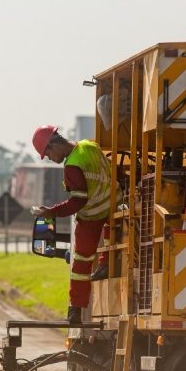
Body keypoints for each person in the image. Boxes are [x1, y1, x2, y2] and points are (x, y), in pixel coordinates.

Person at [30, 125, 115, 324]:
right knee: (112, 234)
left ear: (53, 144)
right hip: (114, 206)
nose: (50, 158)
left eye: (47, 154)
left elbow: (78, 201)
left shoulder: (72, 166)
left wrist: (49, 212)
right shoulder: (91, 146)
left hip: (92, 214)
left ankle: (76, 310)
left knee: (80, 263)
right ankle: (105, 263)